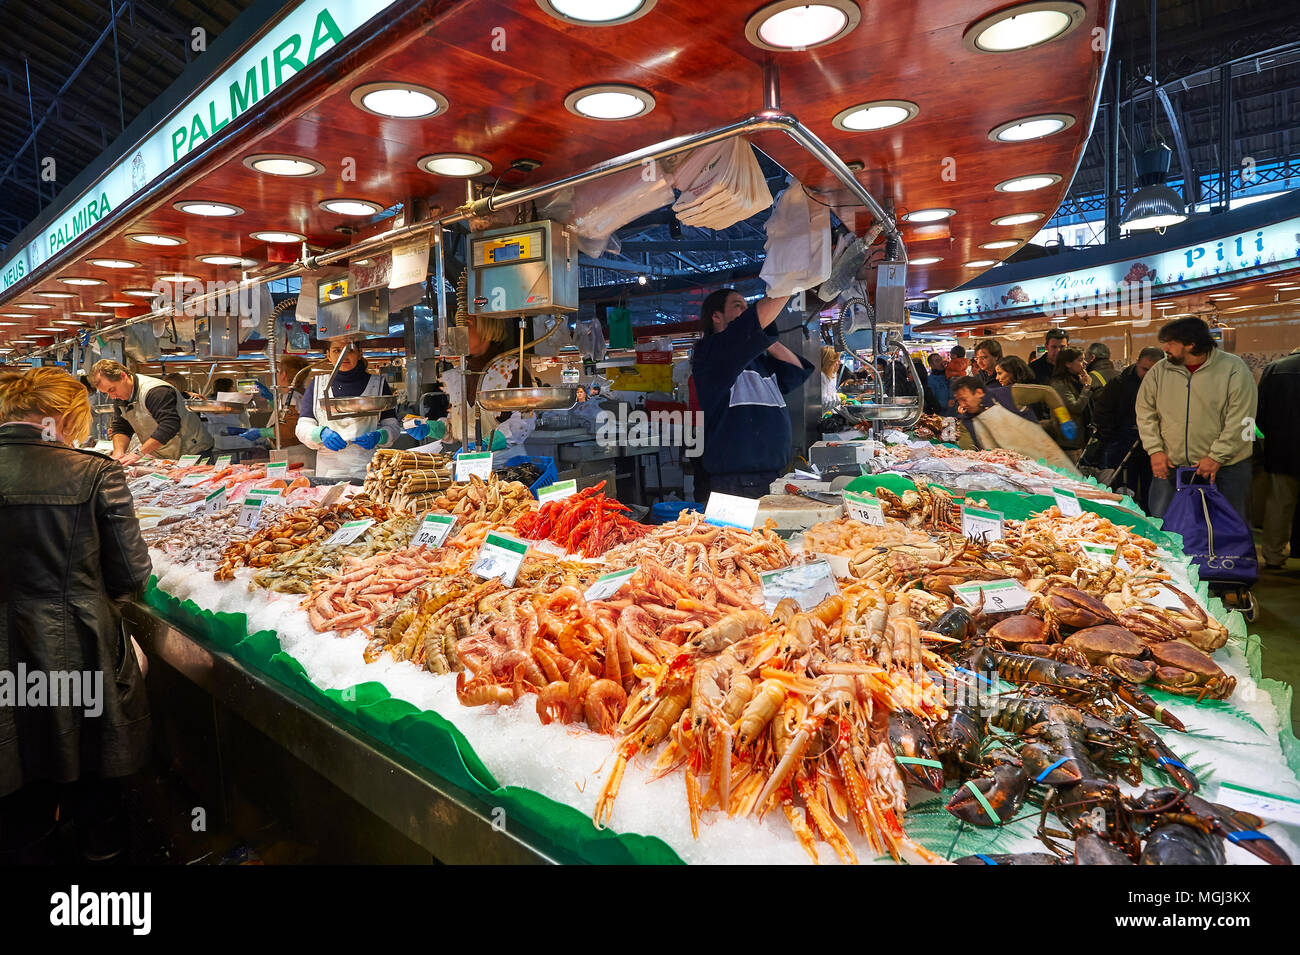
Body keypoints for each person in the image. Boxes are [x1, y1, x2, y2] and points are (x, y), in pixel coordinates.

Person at [0, 368, 152, 863]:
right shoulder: (95, 471)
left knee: (16, 776)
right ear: (66, 416)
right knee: (90, 771)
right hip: (79, 646)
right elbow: (131, 573)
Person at [692, 286, 814, 499]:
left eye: (747, 308)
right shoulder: (711, 354)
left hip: (770, 475)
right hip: (735, 482)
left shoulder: (762, 363)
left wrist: (765, 338)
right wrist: (791, 281)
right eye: (738, 306)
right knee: (736, 534)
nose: (745, 311)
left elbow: (797, 369)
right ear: (716, 316)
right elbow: (747, 328)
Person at [1137, 316, 1257, 522]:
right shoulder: (1159, 371)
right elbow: (1145, 411)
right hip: (1171, 468)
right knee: (1165, 529)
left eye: (1170, 342)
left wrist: (1216, 457)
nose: (1165, 347)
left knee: (1223, 532)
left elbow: (1242, 419)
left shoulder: (1233, 369)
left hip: (1226, 469)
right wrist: (1155, 450)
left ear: (1191, 344)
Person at [414, 314, 536, 452]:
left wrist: (488, 443)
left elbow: (525, 421)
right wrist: (433, 428)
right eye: (457, 324)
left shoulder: (511, 369)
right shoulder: (458, 374)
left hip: (504, 462)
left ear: (487, 328)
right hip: (470, 459)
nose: (459, 331)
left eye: (466, 324)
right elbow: (457, 427)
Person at [296, 338, 401, 479]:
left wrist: (380, 436)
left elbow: (393, 426)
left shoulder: (378, 384)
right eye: (337, 350)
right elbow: (303, 426)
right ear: (328, 355)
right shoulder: (317, 385)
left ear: (359, 353)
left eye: (349, 350)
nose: (343, 355)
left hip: (368, 469)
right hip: (328, 472)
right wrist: (320, 434)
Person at [951, 375, 1081, 475]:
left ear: (979, 392)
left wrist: (1064, 419)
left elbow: (1047, 392)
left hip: (1050, 463)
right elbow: (966, 453)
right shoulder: (967, 423)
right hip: (1015, 479)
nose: (962, 405)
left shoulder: (1007, 395)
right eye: (959, 401)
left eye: (964, 399)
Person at [89, 358, 213, 463]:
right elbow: (122, 427)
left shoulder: (156, 391)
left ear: (123, 376)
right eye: (107, 393)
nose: (112, 396)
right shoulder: (121, 396)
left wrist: (138, 453)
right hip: (165, 456)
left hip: (193, 453)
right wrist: (118, 453)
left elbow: (169, 425)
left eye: (112, 390)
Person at [1087, 346, 1163, 506]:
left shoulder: (1165, 387)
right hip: (1121, 446)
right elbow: (1102, 413)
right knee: (1123, 488)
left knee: (1151, 490)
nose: (1148, 375)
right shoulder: (1119, 384)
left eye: (1153, 370)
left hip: (1153, 449)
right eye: (1144, 369)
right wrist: (1112, 435)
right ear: (1136, 363)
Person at [1256, 346, 1300, 569]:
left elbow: (1258, 412)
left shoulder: (1275, 369)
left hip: (1283, 450)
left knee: (1280, 505)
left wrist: (1270, 438)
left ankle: (1273, 556)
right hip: (1283, 449)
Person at [234, 354, 313, 448]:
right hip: (296, 449)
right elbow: (283, 415)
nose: (277, 375)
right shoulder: (300, 394)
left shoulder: (291, 397)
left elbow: (290, 429)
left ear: (283, 375)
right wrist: (271, 399)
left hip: (295, 452)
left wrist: (261, 432)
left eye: (278, 372)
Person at [1049, 346, 1098, 453]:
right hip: (1067, 440)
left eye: (1084, 359)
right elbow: (1076, 407)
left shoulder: (1075, 380)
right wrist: (1086, 387)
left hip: (1079, 437)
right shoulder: (1060, 383)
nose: (1084, 363)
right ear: (1068, 364)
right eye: (1080, 360)